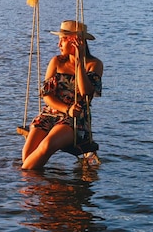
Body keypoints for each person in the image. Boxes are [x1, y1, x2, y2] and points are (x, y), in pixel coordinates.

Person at [21, 20, 103, 170]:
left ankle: (20, 182)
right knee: (27, 155)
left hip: (74, 120)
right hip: (50, 114)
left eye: (62, 40)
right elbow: (46, 95)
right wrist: (66, 108)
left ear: (75, 41)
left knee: (46, 146)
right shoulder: (56, 62)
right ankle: (36, 188)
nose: (58, 45)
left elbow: (86, 93)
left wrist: (79, 63)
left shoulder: (94, 64)